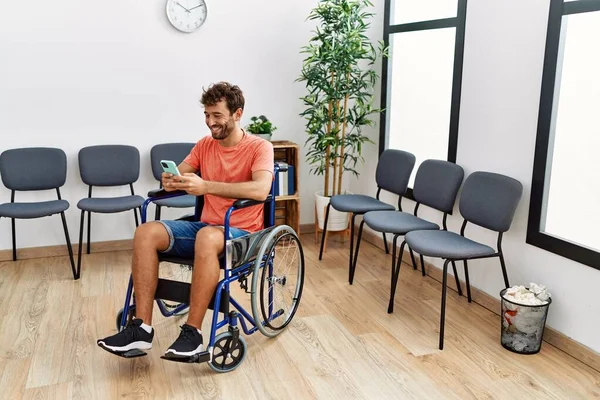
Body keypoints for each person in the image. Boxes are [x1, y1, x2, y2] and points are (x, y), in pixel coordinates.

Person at [97, 82, 274, 358]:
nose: (210, 122)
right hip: (206, 227)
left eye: (217, 115)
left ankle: (193, 333)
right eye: (206, 115)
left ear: (237, 114)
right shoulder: (205, 145)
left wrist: (206, 186)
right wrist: (170, 180)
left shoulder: (259, 147)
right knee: (146, 232)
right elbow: (180, 174)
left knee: (206, 237)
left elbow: (260, 190)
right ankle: (141, 330)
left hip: (243, 234)